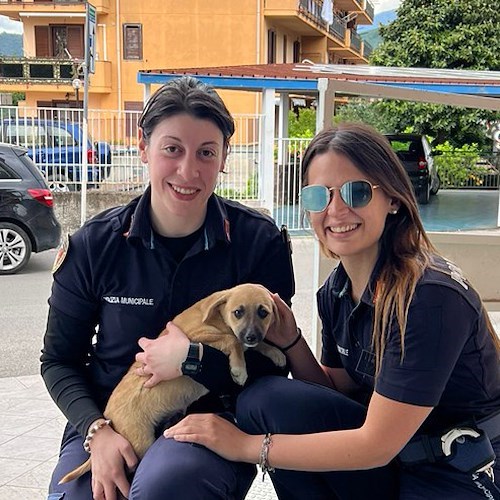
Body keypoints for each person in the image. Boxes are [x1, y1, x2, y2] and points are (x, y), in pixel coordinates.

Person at [160, 123, 500, 499]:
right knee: (265, 398)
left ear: (392, 199)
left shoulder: (428, 297)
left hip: (458, 467)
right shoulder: (335, 291)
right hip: (398, 459)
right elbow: (338, 390)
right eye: (318, 197)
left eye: (356, 192)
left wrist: (244, 445)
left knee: (268, 419)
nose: (336, 210)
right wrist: (292, 342)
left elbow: (376, 444)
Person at [40, 75, 295, 500]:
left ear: (224, 157)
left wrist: (194, 361)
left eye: (206, 153)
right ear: (143, 149)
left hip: (213, 420)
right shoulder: (94, 246)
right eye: (172, 149)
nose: (188, 170)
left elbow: (272, 363)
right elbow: (59, 361)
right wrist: (96, 430)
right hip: (114, 414)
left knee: (169, 485)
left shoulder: (258, 243)